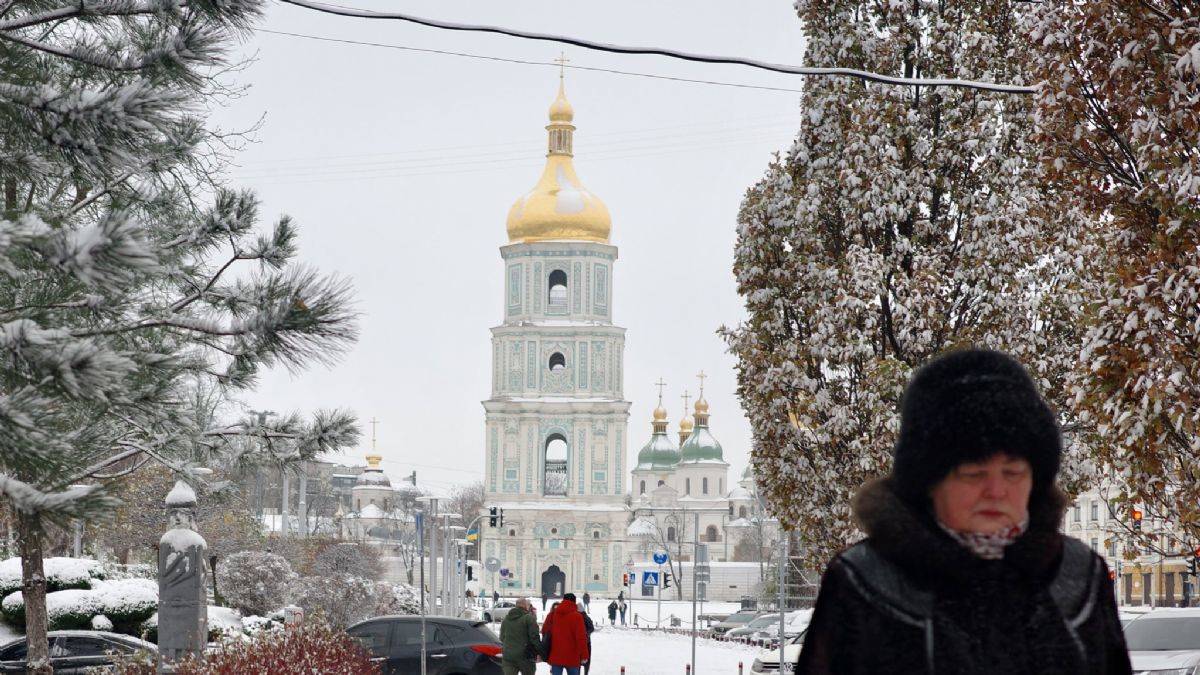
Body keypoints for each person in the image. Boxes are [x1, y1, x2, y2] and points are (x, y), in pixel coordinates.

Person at [796, 349, 1133, 675]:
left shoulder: (1078, 578)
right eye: (973, 473)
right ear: (929, 480)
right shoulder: (864, 581)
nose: (996, 491)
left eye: (1013, 472)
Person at [544, 593, 589, 675]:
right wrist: (584, 655)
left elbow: (545, 631)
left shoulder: (553, 614)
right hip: (572, 656)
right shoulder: (577, 616)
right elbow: (581, 638)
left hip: (556, 655)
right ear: (574, 602)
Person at [499, 598, 542, 675]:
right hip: (525, 657)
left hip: (508, 657)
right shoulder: (528, 618)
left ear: (516, 606)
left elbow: (502, 638)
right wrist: (540, 651)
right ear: (526, 606)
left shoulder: (506, 620)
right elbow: (534, 637)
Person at [580, 604, 595, 675]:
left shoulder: (585, 618)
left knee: (585, 659)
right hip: (586, 642)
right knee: (585, 659)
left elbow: (591, 628)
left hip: (586, 642)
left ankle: (585, 673)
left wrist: (586, 633)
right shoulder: (585, 617)